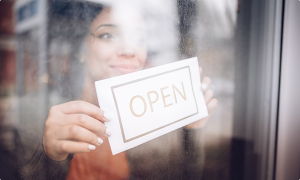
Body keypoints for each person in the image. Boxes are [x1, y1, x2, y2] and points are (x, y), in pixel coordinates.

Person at [15, 1, 218, 179]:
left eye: (139, 39)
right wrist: (50, 155)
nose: (129, 50)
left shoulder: (157, 118)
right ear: (82, 49)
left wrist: (191, 131)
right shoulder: (37, 112)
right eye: (108, 35)